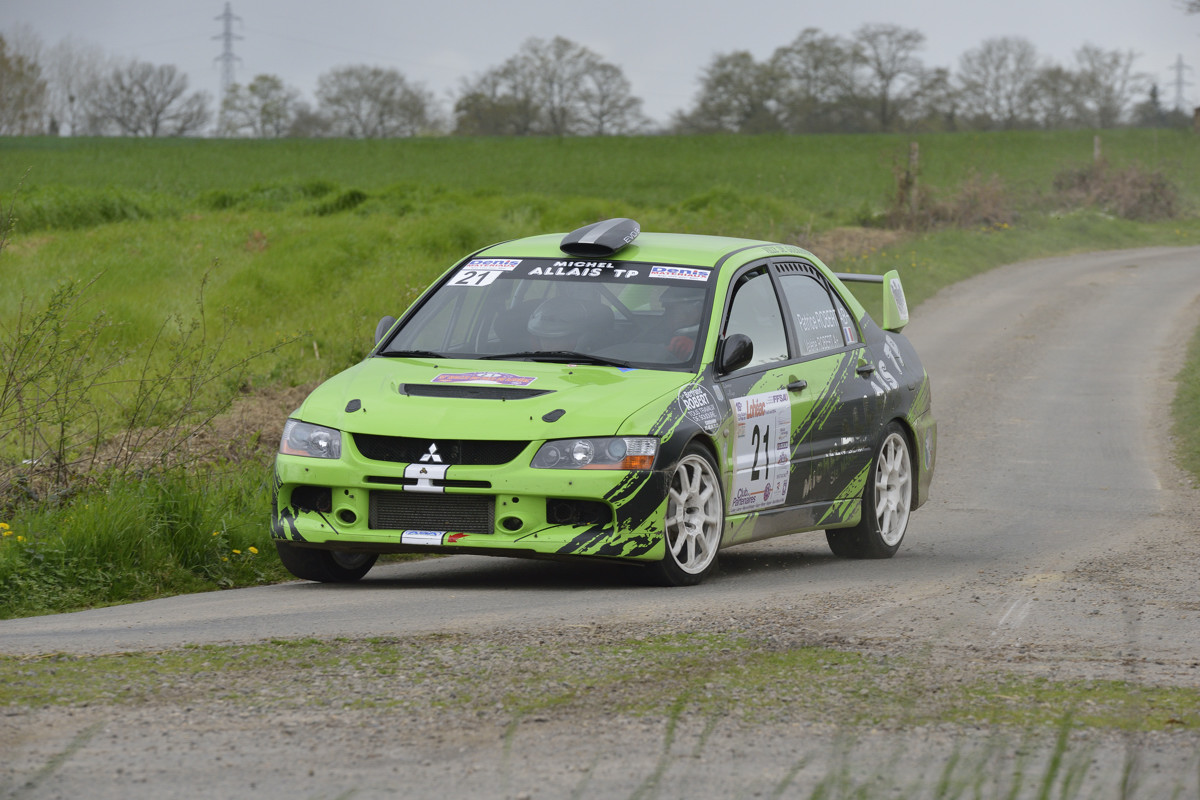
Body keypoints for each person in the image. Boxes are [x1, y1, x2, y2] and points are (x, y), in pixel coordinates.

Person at [658, 286, 704, 360]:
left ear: (693, 313)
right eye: (666, 311)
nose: (666, 316)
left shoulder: (683, 344)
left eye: (671, 311)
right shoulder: (667, 331)